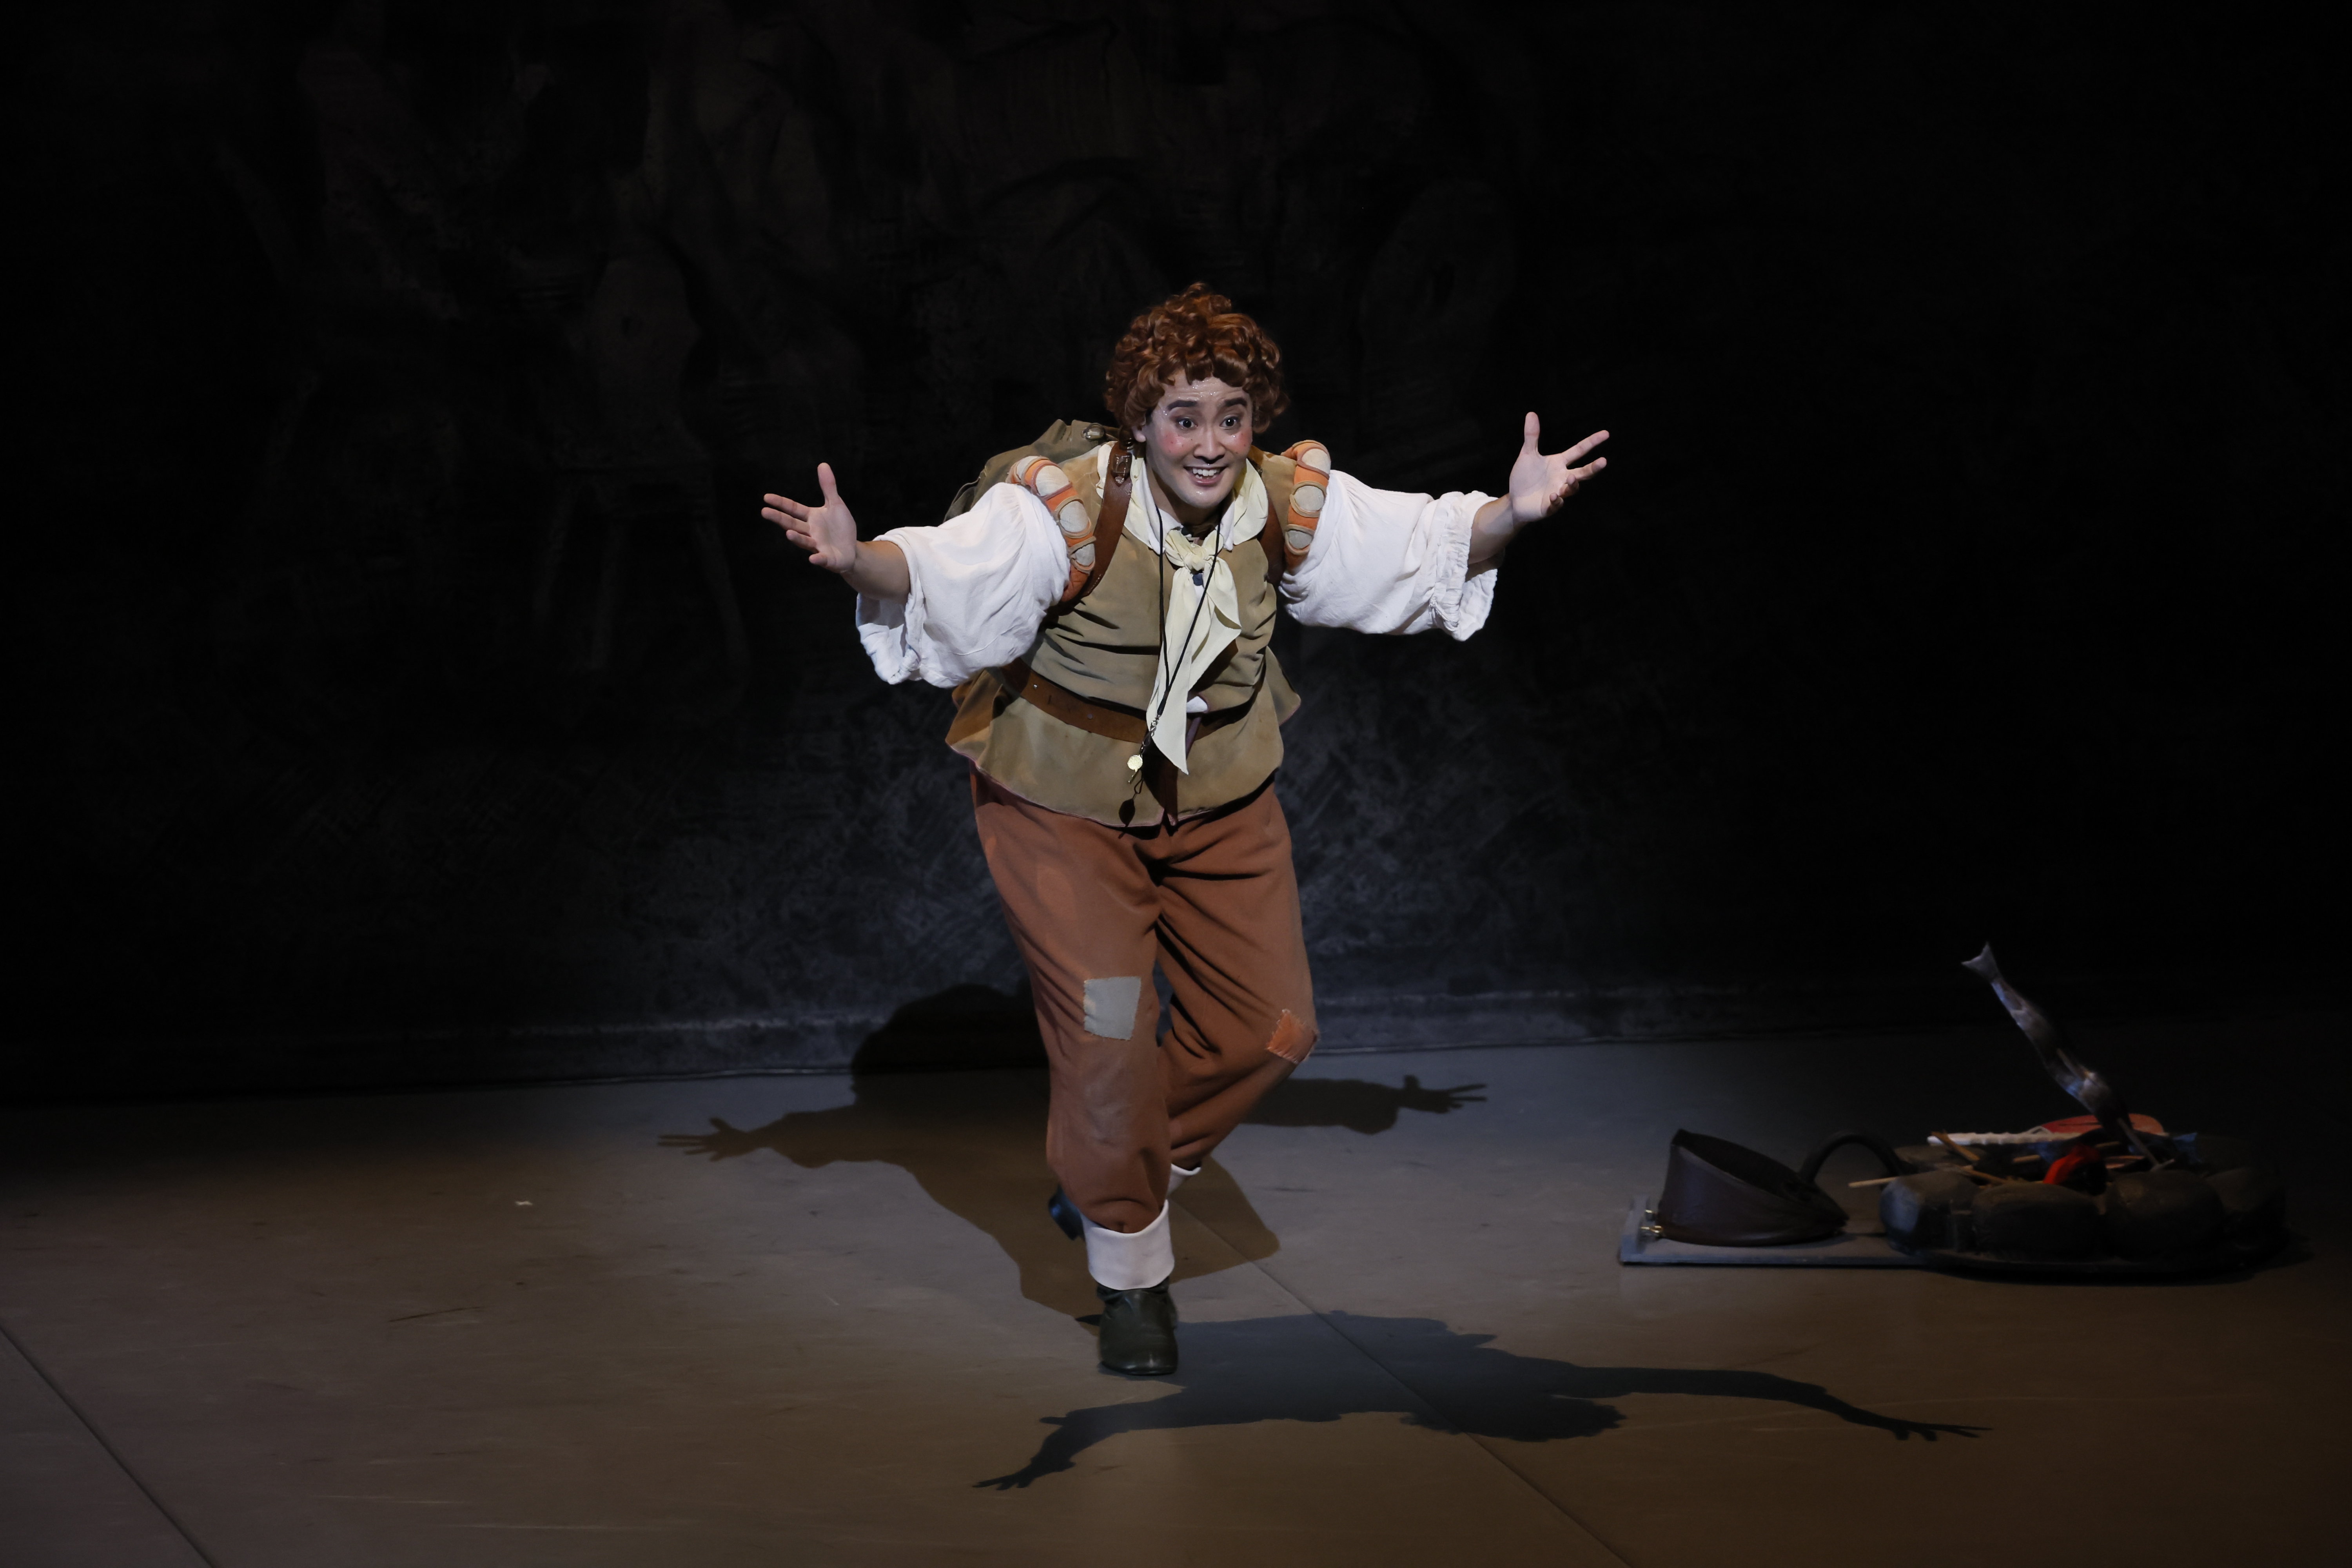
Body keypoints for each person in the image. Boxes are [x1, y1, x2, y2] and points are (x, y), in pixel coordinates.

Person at [761, 285, 1606, 1374]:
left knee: (1272, 1027)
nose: (1210, 444)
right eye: (1184, 418)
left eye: (1231, 418)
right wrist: (857, 559)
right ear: (1141, 420)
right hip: (1065, 805)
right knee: (1111, 1040)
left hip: (1220, 793)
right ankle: (1130, 1272)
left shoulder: (1282, 501)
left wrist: (1512, 516)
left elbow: (1414, 542)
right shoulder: (1062, 509)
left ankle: (1114, 1169)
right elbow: (940, 570)